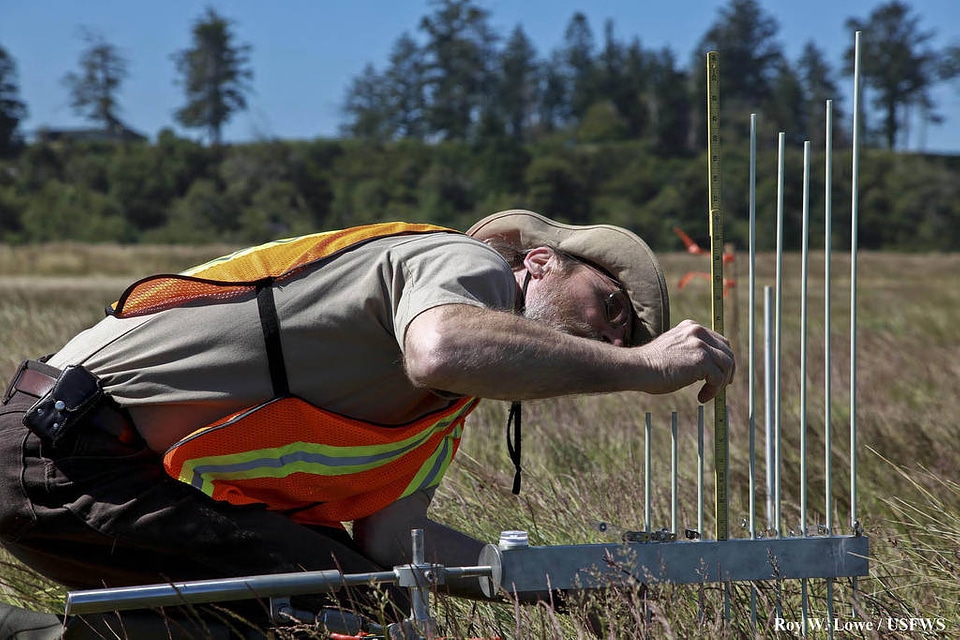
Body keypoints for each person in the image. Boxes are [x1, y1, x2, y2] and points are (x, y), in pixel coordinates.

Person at [0, 209, 734, 638]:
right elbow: (441, 346)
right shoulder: (466, 264)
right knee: (355, 606)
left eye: (625, 337)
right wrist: (645, 368)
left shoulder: (439, 411)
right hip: (60, 442)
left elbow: (393, 541)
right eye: (610, 309)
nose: (611, 340)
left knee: (341, 591)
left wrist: (552, 584)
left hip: (86, 464)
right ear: (539, 262)